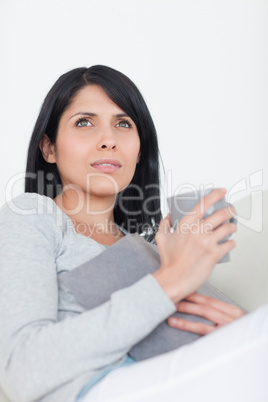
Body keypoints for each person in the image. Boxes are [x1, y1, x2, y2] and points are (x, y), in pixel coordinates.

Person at [0, 65, 267, 402]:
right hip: (100, 387)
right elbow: (22, 369)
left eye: (123, 124)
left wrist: (237, 331)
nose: (109, 140)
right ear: (48, 147)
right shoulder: (32, 217)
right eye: (84, 122)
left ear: (139, 151)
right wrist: (170, 281)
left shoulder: (156, 249)